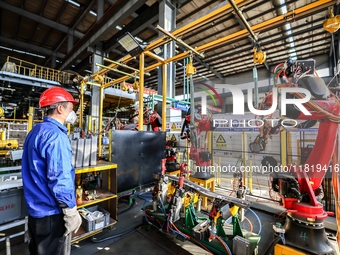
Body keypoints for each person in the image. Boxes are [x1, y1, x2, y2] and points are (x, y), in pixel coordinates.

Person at [22, 87, 82, 255]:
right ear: (60, 108)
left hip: (36, 212)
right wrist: (70, 211)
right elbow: (59, 178)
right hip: (52, 213)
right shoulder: (56, 136)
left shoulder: (35, 132)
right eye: (71, 108)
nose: (73, 112)